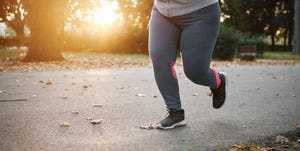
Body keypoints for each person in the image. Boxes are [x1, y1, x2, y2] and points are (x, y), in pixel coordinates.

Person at [148, 0, 227, 130]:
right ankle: (175, 112)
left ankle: (218, 81)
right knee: (160, 59)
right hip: (162, 11)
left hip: (201, 11)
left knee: (195, 72)